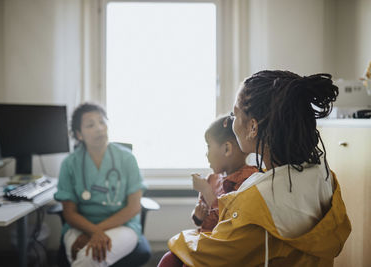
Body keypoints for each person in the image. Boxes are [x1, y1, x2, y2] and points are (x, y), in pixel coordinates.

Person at [160, 71, 351, 266]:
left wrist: (179, 240)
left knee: (170, 260)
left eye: (235, 115)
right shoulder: (325, 177)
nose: (233, 122)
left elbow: (213, 256)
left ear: (253, 127)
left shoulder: (257, 202)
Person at [54, 103, 146, 267]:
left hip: (122, 226)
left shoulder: (127, 159)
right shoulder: (69, 164)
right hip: (80, 227)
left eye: (102, 122)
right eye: (90, 125)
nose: (99, 128)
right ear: (79, 134)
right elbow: (69, 212)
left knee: (90, 256)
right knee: (85, 255)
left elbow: (133, 207)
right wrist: (92, 231)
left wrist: (95, 231)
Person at [190, 115, 257, 232]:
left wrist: (207, 191)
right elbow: (202, 220)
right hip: (207, 239)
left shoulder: (248, 180)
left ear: (227, 149)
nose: (206, 154)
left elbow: (231, 220)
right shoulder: (211, 179)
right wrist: (198, 216)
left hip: (224, 245)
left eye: (209, 146)